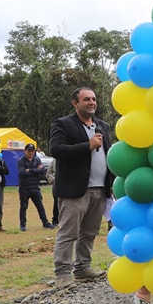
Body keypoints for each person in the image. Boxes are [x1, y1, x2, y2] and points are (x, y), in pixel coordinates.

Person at [49, 87, 114, 288]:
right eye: (86, 99)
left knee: (89, 232)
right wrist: (87, 145)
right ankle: (62, 273)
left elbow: (109, 155)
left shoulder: (102, 126)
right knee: (68, 232)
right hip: (74, 190)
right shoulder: (63, 124)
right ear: (75, 103)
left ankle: (83, 268)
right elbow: (56, 149)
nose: (92, 102)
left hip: (99, 189)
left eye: (94, 99)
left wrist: (110, 185)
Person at [17, 143, 52, 230]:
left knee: (40, 206)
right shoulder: (21, 161)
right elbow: (22, 173)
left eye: (32, 151)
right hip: (24, 187)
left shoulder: (37, 159)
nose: (31, 152)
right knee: (24, 206)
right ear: (25, 151)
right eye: (29, 151)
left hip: (35, 186)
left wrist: (30, 170)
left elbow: (42, 170)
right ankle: (23, 225)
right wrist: (36, 170)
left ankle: (45, 222)